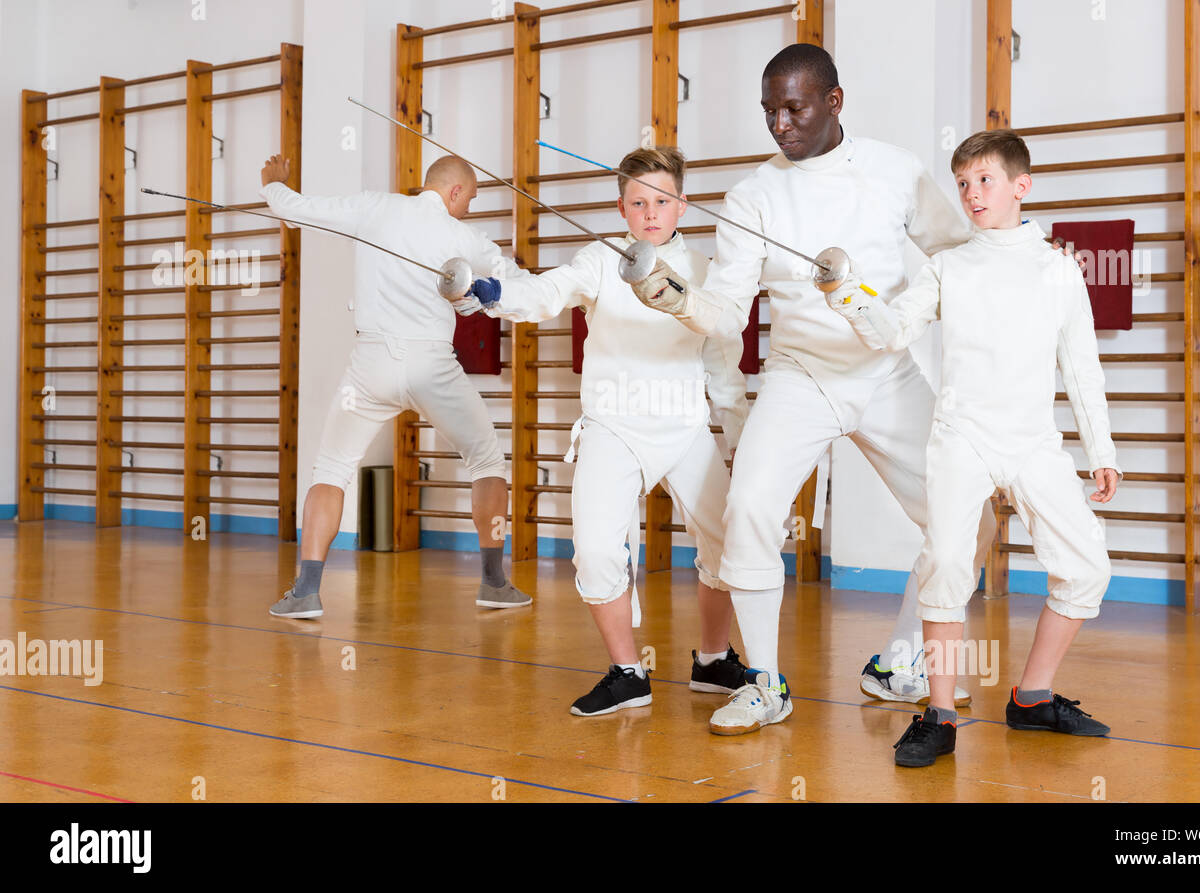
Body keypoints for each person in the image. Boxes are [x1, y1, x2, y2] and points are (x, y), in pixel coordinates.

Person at [628, 44, 996, 735]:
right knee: (749, 510)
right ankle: (766, 684)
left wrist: (1005, 271)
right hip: (801, 376)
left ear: (834, 101)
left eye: (793, 108)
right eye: (769, 110)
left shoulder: (894, 169)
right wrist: (673, 296)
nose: (780, 124)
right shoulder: (752, 196)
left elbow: (957, 256)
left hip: (886, 371)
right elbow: (726, 312)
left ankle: (901, 665)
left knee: (970, 518)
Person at [827, 128, 1119, 767]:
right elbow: (892, 330)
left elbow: (1082, 367)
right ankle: (938, 714)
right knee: (947, 563)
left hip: (1033, 440)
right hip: (962, 435)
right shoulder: (948, 266)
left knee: (1086, 567)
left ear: (1021, 186)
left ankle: (1032, 697)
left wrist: (1102, 450)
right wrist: (848, 294)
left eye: (984, 180)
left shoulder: (1058, 270)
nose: (971, 194)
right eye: (962, 183)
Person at [462, 146, 751, 715]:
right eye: (638, 203)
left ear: (682, 204)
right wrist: (496, 295)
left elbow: (723, 363)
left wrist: (740, 439)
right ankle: (627, 673)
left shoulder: (704, 273)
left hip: (685, 427)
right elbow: (545, 293)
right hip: (612, 427)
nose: (650, 213)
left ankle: (714, 661)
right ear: (622, 208)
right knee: (595, 552)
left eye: (661, 201)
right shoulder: (598, 260)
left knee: (728, 543)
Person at [260, 153, 532, 619]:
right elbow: (520, 288)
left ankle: (305, 592)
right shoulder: (466, 237)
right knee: (487, 461)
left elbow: (295, 210)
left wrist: (273, 184)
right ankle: (493, 583)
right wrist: (488, 298)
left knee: (331, 468)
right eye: (470, 199)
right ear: (455, 192)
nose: (469, 208)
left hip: (370, 365)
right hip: (433, 366)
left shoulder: (374, 206)